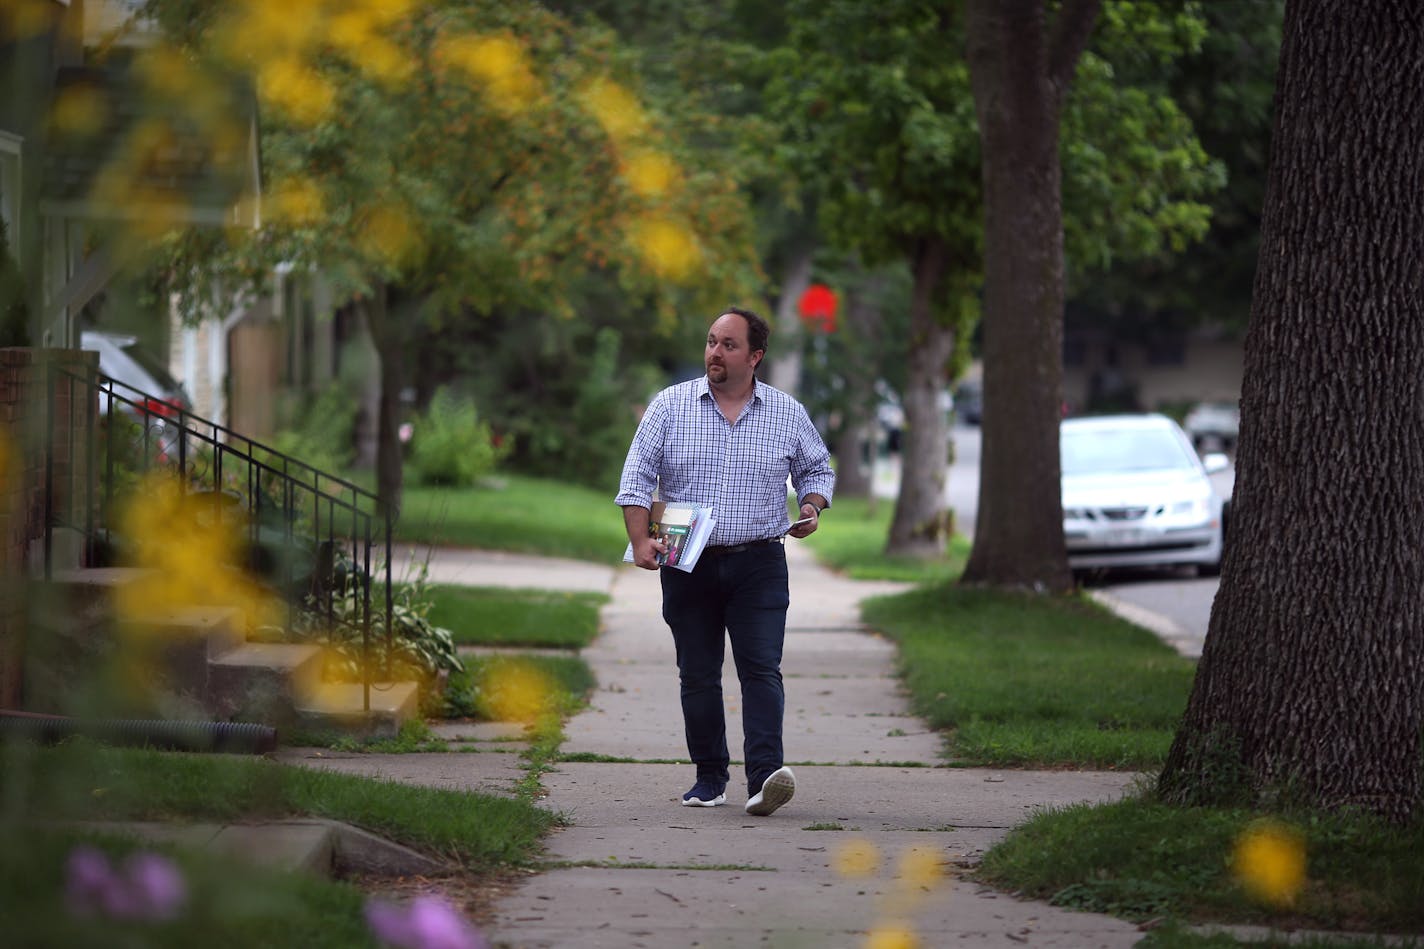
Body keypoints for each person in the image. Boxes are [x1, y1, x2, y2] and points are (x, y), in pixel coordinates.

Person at [615, 306, 835, 816]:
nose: (715, 351)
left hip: (759, 561)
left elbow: (817, 469)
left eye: (729, 344)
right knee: (697, 673)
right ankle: (710, 778)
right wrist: (641, 541)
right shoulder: (670, 407)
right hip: (685, 560)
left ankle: (763, 780)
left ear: (755, 356)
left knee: (761, 668)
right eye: (712, 341)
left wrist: (810, 506)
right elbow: (636, 479)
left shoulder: (785, 411)